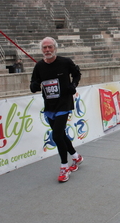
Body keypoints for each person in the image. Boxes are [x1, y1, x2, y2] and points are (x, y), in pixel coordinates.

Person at [30, 37, 83, 182]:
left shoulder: (65, 62)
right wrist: (34, 86)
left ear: (55, 48)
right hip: (49, 106)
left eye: (50, 47)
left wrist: (73, 85)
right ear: (42, 50)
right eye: (45, 48)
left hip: (64, 104)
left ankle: (64, 167)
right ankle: (76, 157)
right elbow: (34, 81)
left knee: (56, 135)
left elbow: (77, 74)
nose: (47, 50)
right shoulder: (39, 66)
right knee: (60, 135)